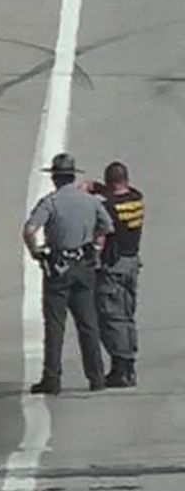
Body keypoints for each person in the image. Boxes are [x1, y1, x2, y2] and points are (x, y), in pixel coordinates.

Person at [23, 153, 115, 394]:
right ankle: (96, 377)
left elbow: (30, 229)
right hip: (84, 266)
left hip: (58, 269)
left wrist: (37, 253)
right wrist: (95, 248)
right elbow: (106, 226)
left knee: (55, 326)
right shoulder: (90, 201)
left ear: (55, 178)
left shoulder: (51, 202)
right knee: (88, 323)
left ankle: (52, 379)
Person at [85, 162, 144, 388]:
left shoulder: (108, 209)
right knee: (127, 314)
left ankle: (121, 367)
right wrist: (100, 188)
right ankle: (129, 365)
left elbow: (102, 228)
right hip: (131, 263)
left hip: (114, 266)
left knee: (112, 316)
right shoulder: (137, 199)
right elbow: (119, 194)